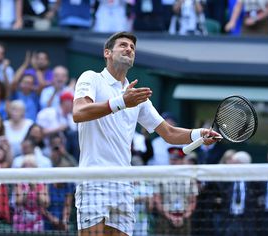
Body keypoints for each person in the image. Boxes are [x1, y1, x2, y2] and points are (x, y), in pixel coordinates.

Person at [72, 31, 219, 236]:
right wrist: (121, 102)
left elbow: (168, 133)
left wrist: (198, 135)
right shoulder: (91, 78)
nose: (129, 49)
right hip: (94, 180)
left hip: (124, 184)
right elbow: (79, 113)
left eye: (132, 48)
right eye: (123, 45)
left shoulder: (138, 98)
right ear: (107, 52)